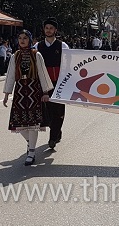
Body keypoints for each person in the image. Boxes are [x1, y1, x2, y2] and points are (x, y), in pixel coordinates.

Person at [3, 30, 53, 166]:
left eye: (25, 38)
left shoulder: (36, 55)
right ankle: (30, 143)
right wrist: (7, 93)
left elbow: (42, 73)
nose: (22, 40)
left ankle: (31, 152)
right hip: (20, 91)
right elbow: (11, 74)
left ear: (30, 40)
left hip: (34, 90)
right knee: (20, 124)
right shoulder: (15, 55)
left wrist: (45, 92)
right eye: (20, 38)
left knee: (33, 124)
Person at [33, 18, 70, 149]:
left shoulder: (63, 46)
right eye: (46, 28)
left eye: (51, 28)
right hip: (43, 83)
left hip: (59, 83)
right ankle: (56, 131)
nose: (48, 30)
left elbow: (69, 65)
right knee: (47, 111)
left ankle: (53, 137)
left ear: (55, 30)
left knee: (58, 111)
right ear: (44, 30)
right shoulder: (38, 47)